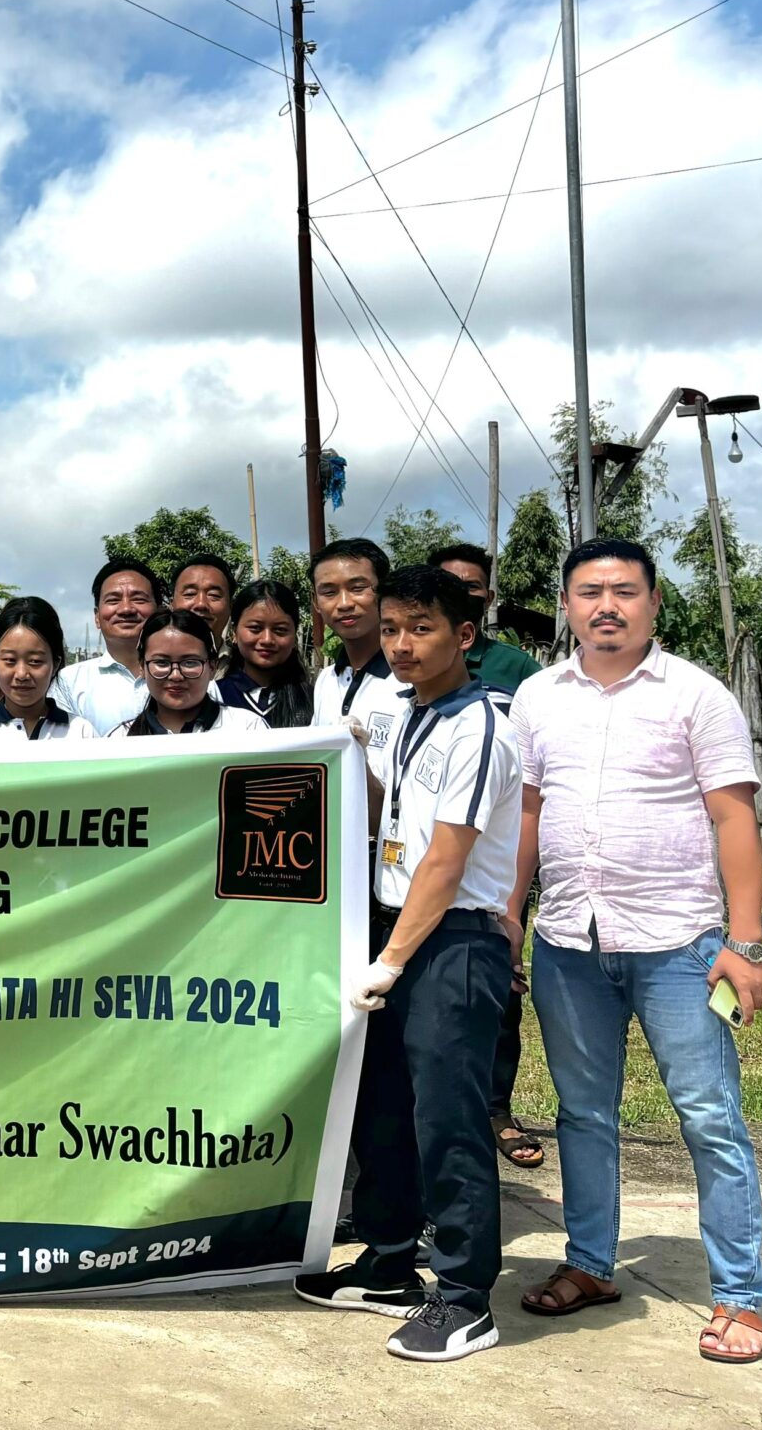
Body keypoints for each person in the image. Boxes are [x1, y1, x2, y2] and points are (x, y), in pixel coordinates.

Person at [507, 539, 762, 1365]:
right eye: (590, 592)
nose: (607, 606)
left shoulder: (697, 695)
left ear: (655, 602)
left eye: (625, 591)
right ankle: (591, 1264)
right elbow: (525, 816)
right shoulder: (537, 696)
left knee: (708, 1117)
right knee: (583, 1115)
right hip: (567, 943)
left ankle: (740, 1295)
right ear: (567, 604)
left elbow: (734, 820)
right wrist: (508, 918)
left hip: (678, 943)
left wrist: (745, 943)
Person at [296, 565, 520, 1363]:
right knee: (381, 1105)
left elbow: (446, 862)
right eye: (391, 629)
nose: (400, 644)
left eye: (420, 628)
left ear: (464, 636)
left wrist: (389, 961)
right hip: (392, 923)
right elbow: (398, 809)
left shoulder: (483, 723)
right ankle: (390, 1262)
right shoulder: (404, 710)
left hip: (449, 940)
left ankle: (464, 1297)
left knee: (449, 1120)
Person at [427, 540, 542, 1169]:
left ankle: (495, 1108)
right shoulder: (405, 669)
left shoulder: (514, 670)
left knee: (497, 995)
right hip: (418, 865)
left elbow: (528, 782)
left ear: (485, 601)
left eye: (471, 586)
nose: (459, 591)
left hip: (489, 858)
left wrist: (515, 896)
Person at [312, 537, 402, 789]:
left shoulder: (411, 681)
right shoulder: (326, 680)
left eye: (358, 588)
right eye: (329, 592)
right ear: (315, 602)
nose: (344, 604)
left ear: (384, 590)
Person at [0, 597, 91, 743]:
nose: (21, 674)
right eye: (10, 660)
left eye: (35, 661)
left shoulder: (81, 733)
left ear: (55, 664)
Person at [109, 609, 263, 737]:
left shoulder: (248, 728)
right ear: (142, 667)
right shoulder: (119, 739)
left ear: (212, 667)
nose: (176, 675)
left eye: (190, 662)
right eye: (162, 663)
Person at [428, 543, 539, 707]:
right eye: (449, 585)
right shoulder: (407, 658)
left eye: (471, 586)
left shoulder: (518, 666)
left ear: (489, 599)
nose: (460, 593)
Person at [57, 558, 160, 736]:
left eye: (138, 599)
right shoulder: (69, 682)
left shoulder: (191, 676)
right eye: (113, 600)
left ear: (159, 611)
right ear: (97, 617)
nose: (126, 609)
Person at [220, 578, 316, 727]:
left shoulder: (316, 701)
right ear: (234, 632)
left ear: (294, 635)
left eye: (280, 630)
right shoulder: (212, 697)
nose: (267, 639)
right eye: (255, 628)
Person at [172, 554, 238, 645]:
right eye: (190, 593)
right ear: (172, 603)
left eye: (214, 595)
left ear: (230, 606)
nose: (201, 604)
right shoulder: (149, 657)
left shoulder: (245, 658)